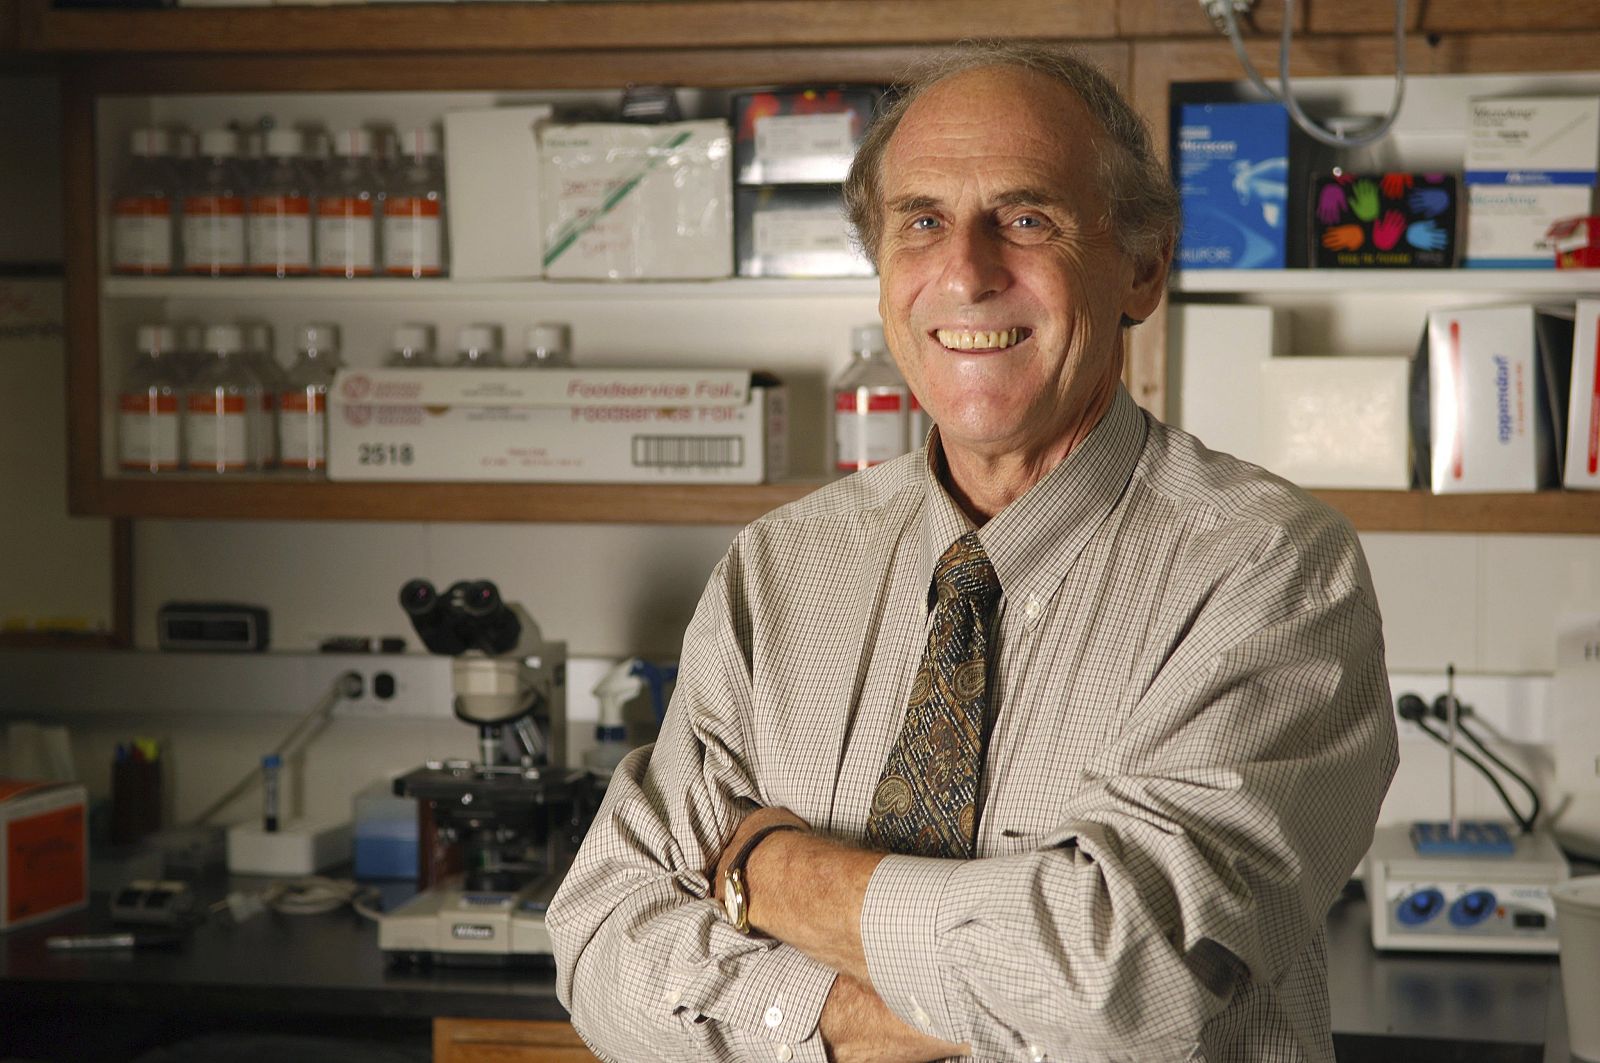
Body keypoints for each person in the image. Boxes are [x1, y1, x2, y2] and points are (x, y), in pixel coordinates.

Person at [548, 42, 1398, 1063]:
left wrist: (768, 874)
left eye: (1027, 218)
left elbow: (1119, 977)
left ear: (1141, 266)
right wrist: (857, 1018)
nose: (965, 270)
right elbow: (600, 943)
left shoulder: (1271, 569)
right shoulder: (778, 571)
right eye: (920, 223)